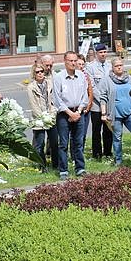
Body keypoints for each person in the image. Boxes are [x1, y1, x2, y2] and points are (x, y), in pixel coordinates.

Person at [52, 50, 88, 180]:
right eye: (70, 61)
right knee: (63, 143)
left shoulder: (81, 76)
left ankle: (80, 168)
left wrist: (78, 112)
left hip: (78, 113)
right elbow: (57, 99)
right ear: (65, 61)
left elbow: (85, 95)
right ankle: (63, 170)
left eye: (75, 61)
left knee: (78, 142)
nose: (73, 63)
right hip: (64, 114)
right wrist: (70, 113)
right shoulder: (59, 77)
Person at [98, 57, 131, 167]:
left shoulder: (129, 78)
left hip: (130, 113)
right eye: (116, 66)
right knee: (117, 138)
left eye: (120, 65)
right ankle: (118, 160)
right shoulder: (107, 80)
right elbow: (103, 97)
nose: (119, 67)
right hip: (115, 114)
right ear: (112, 67)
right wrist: (103, 113)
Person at [27, 60, 56, 172]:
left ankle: (56, 164)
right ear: (34, 74)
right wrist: (43, 117)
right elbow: (33, 105)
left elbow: (53, 101)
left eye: (42, 71)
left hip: (51, 117)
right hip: (39, 119)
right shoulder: (31, 87)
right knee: (39, 144)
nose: (40, 73)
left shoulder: (50, 84)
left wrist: (52, 115)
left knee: (54, 143)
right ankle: (42, 166)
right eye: (37, 72)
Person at [85, 43, 113, 160]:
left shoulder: (110, 66)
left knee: (108, 129)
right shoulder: (90, 67)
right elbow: (91, 86)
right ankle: (97, 153)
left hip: (109, 104)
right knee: (96, 130)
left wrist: (107, 100)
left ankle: (108, 152)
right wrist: (102, 99)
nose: (103, 54)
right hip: (96, 105)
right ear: (96, 54)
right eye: (100, 52)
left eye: (104, 52)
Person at [40, 54, 59, 170]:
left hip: (53, 111)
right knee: (39, 141)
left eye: (51, 65)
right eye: (47, 65)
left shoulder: (55, 76)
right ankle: (41, 164)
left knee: (54, 140)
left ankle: (55, 164)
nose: (49, 67)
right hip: (40, 112)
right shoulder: (38, 75)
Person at [75, 54, 93, 155]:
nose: (81, 66)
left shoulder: (86, 76)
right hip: (76, 109)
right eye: (79, 64)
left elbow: (90, 91)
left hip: (86, 109)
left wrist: (88, 105)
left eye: (83, 64)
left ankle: (80, 153)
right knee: (75, 134)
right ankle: (74, 154)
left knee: (84, 133)